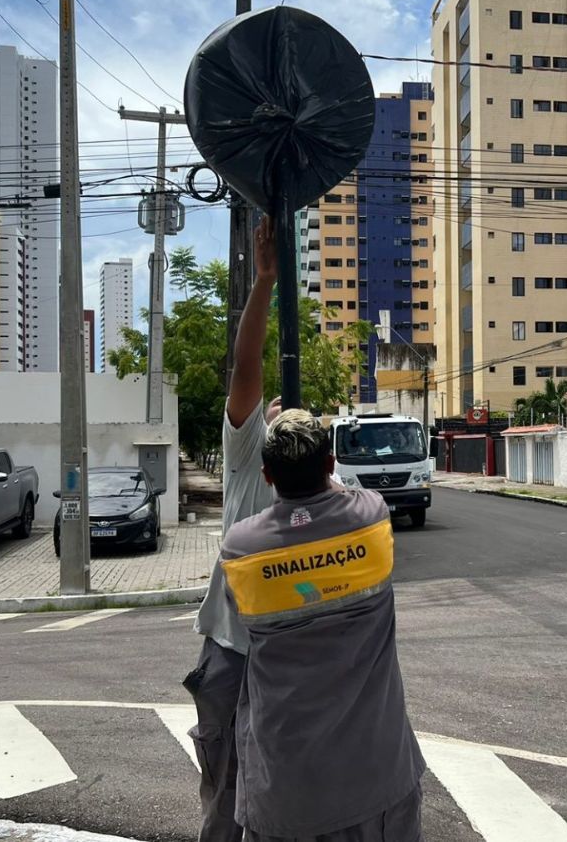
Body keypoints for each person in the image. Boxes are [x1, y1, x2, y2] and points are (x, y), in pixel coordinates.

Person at [219, 410, 424, 842]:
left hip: (284, 789)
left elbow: (237, 621)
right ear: (331, 465)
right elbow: (339, 494)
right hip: (376, 777)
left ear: (267, 475)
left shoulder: (241, 549)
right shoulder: (370, 518)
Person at [185, 216, 281, 842]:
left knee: (280, 787)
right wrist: (265, 281)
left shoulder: (334, 492)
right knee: (224, 786)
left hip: (285, 660)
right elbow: (245, 370)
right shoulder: (252, 452)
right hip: (231, 653)